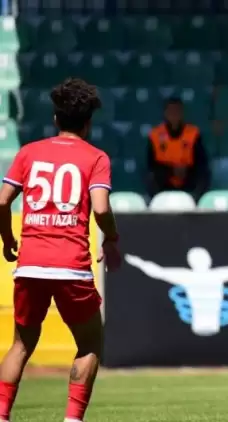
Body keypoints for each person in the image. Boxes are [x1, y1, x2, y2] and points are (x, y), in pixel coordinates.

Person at [0, 78, 122, 422]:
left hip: (31, 265)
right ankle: (71, 420)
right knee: (89, 344)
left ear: (55, 119)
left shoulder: (29, 152)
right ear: (88, 122)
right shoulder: (96, 158)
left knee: (21, 345)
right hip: (71, 266)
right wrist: (111, 238)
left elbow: (2, 201)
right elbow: (100, 209)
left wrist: (8, 238)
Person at [146, 97, 210, 201]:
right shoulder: (155, 135)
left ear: (182, 113)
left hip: (188, 177)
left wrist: (184, 169)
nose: (174, 115)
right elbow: (151, 164)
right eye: (171, 111)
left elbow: (201, 162)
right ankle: (157, 201)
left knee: (203, 174)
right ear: (165, 113)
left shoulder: (193, 133)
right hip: (165, 179)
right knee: (152, 176)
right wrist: (172, 170)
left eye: (177, 111)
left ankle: (195, 200)